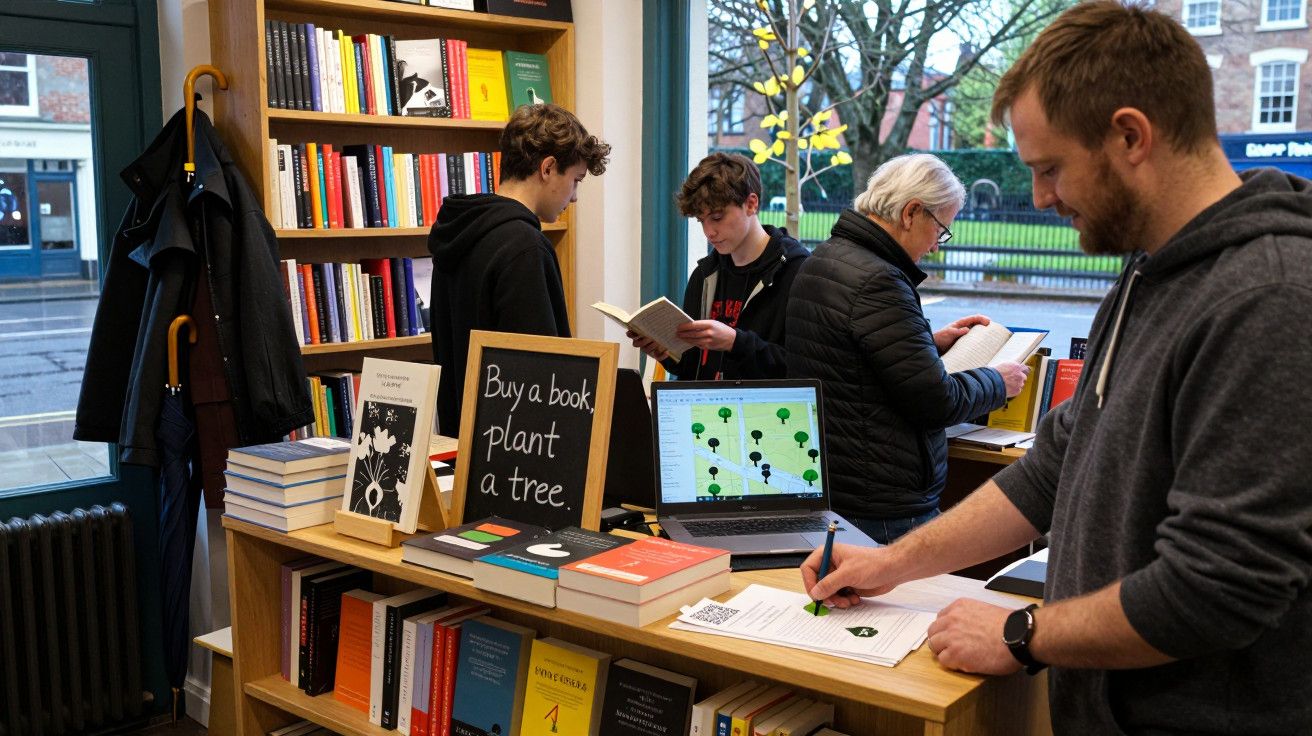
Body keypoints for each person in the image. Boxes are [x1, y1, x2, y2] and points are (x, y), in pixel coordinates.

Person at [801, 3, 1312, 733]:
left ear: (1131, 136)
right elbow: (1054, 467)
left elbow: (1220, 585)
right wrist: (891, 564)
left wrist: (1022, 634)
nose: (1039, 197)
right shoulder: (1148, 276)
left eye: (1050, 168)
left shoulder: (1270, 296)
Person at [785, 153, 1029, 544]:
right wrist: (997, 381)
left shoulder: (825, 258)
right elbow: (937, 401)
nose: (936, 246)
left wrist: (926, 343)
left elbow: (847, 358)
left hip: (837, 486)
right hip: (881, 503)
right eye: (941, 229)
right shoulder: (879, 280)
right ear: (912, 212)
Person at [429, 103, 610, 433]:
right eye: (575, 180)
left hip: (462, 444)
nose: (574, 198)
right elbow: (541, 376)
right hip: (515, 457)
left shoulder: (457, 233)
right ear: (548, 168)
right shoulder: (524, 246)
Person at [629, 152, 809, 380]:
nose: (708, 232)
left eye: (716, 217)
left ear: (751, 204)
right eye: (701, 220)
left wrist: (735, 343)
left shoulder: (796, 272)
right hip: (705, 411)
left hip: (764, 413)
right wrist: (666, 354)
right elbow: (692, 368)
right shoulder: (705, 274)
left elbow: (803, 369)